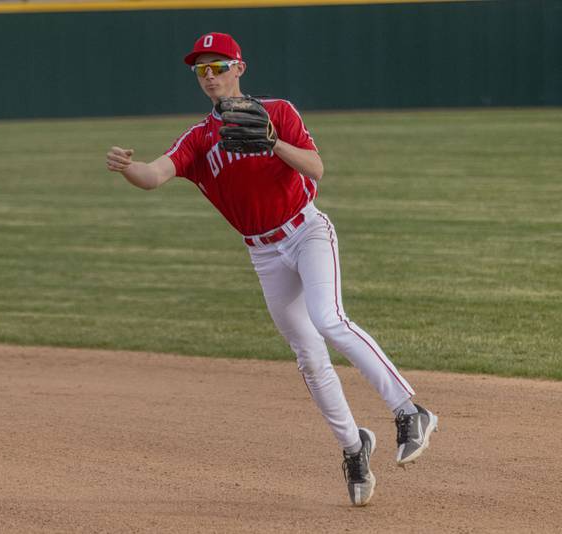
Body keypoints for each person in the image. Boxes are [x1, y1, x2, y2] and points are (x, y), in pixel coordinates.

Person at [105, 32, 438, 507]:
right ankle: (353, 448)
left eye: (217, 66)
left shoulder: (279, 112)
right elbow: (155, 175)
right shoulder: (200, 139)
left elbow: (316, 169)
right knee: (308, 355)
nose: (209, 77)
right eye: (200, 70)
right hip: (263, 254)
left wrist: (272, 142)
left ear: (240, 68)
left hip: (307, 233)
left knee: (329, 318)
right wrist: (127, 169)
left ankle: (409, 410)